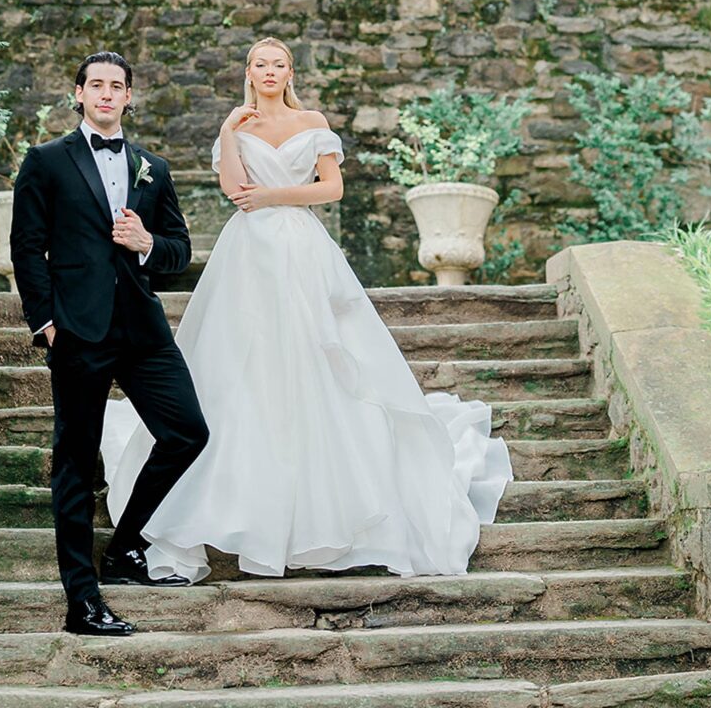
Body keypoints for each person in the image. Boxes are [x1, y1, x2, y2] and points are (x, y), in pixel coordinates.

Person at [102, 36, 513, 583]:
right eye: (260, 64)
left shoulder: (313, 120)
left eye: (278, 64)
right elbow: (231, 188)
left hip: (299, 246)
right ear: (248, 72)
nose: (269, 71)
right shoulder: (238, 127)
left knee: (317, 355)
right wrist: (228, 131)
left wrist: (271, 197)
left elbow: (332, 188)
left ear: (289, 73)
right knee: (237, 363)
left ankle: (325, 513)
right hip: (247, 252)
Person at [10, 50, 208, 637]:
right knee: (74, 461)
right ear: (78, 94)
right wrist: (44, 321)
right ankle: (82, 601)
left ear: (128, 97)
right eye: (95, 84)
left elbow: (179, 250)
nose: (105, 94)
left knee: (188, 432)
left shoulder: (154, 167)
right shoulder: (46, 161)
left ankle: (125, 549)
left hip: (142, 332)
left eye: (116, 86)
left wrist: (146, 241)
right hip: (77, 331)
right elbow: (27, 246)